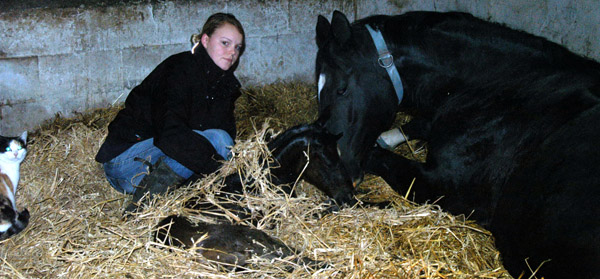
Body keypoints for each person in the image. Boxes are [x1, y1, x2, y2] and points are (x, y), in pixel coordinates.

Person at [95, 13, 245, 213]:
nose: (232, 52)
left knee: (220, 140)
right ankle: (141, 211)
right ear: (205, 40)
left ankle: (182, 201)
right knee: (217, 139)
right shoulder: (179, 70)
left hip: (159, 159)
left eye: (237, 47)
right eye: (225, 43)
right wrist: (218, 169)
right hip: (125, 165)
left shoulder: (224, 85)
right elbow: (170, 135)